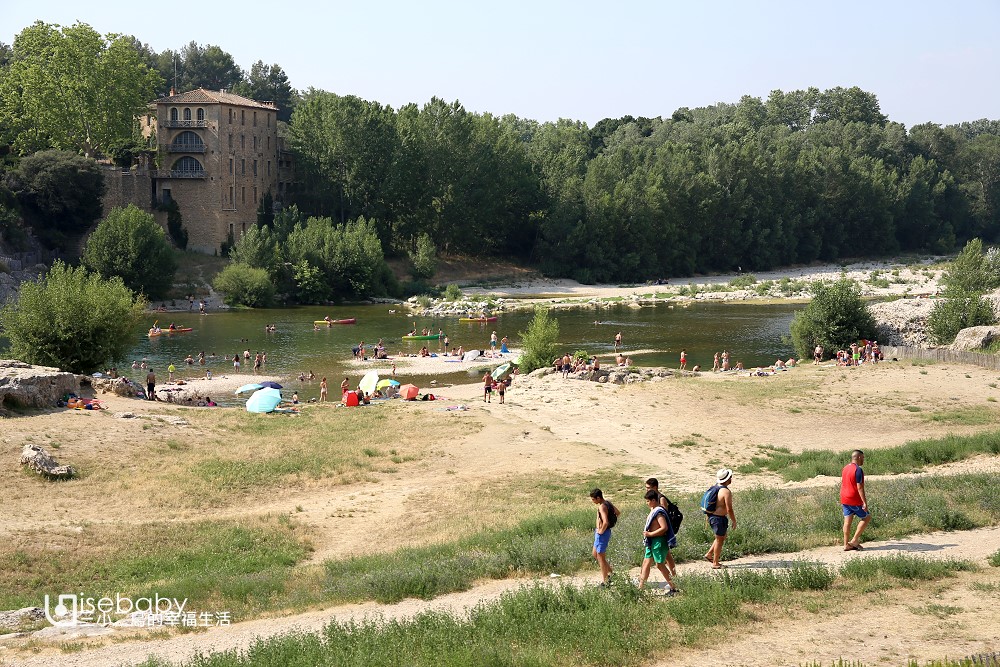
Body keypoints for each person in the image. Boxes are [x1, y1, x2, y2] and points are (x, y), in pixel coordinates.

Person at [639, 490, 678, 594]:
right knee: (646, 562)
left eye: (648, 501)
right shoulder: (654, 510)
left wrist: (650, 534)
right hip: (652, 542)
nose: (647, 503)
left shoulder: (659, 513)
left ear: (653, 500)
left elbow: (664, 528)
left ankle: (674, 587)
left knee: (659, 565)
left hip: (658, 541)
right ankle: (640, 588)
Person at [644, 478, 679, 577]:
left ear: (655, 487)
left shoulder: (661, 498)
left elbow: (663, 516)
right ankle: (674, 577)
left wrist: (653, 532)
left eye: (648, 488)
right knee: (667, 556)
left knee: (666, 558)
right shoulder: (652, 498)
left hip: (661, 534)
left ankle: (674, 577)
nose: (647, 490)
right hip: (657, 534)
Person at [704, 469, 736, 569]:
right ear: (727, 479)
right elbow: (729, 509)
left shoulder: (715, 487)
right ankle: (715, 563)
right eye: (730, 477)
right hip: (718, 519)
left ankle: (709, 554)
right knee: (719, 540)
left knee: (721, 537)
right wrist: (734, 520)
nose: (731, 478)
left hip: (712, 517)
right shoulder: (726, 491)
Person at [841, 450, 871, 551]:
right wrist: (864, 502)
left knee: (847, 522)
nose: (863, 460)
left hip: (844, 498)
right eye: (863, 458)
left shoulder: (845, 468)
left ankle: (846, 544)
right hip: (854, 499)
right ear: (858, 457)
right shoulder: (858, 470)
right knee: (866, 517)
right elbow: (860, 488)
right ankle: (854, 540)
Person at [589, 488, 618, 586]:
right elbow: (617, 512)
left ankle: (606, 581)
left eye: (593, 499)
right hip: (602, 533)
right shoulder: (608, 503)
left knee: (600, 556)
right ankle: (611, 573)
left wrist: (600, 531)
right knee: (595, 554)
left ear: (598, 498)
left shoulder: (602, 506)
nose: (593, 501)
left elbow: (605, 521)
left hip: (602, 533)